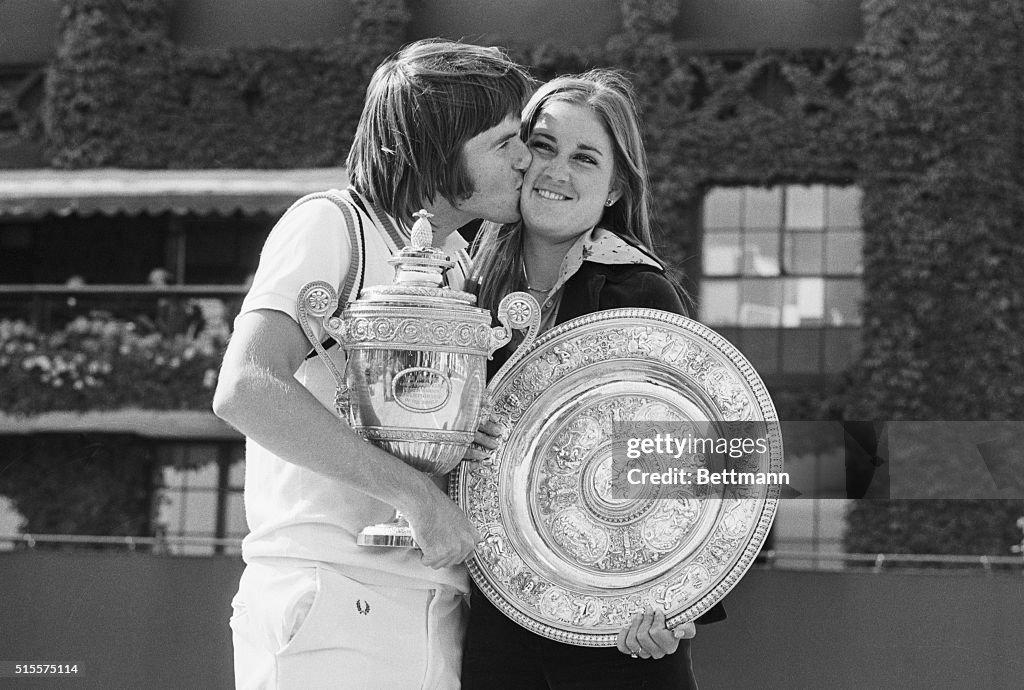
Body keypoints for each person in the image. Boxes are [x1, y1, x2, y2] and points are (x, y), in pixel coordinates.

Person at [212, 39, 533, 689]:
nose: (526, 159)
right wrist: (413, 494)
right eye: (503, 142)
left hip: (433, 608)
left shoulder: (460, 267)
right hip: (331, 594)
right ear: (438, 147)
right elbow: (246, 387)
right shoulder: (332, 223)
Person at [464, 69, 725, 689]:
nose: (557, 172)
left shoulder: (641, 290)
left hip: (616, 633)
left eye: (586, 158)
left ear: (612, 191)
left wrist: (678, 602)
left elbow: (700, 458)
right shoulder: (457, 279)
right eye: (545, 147)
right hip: (490, 619)